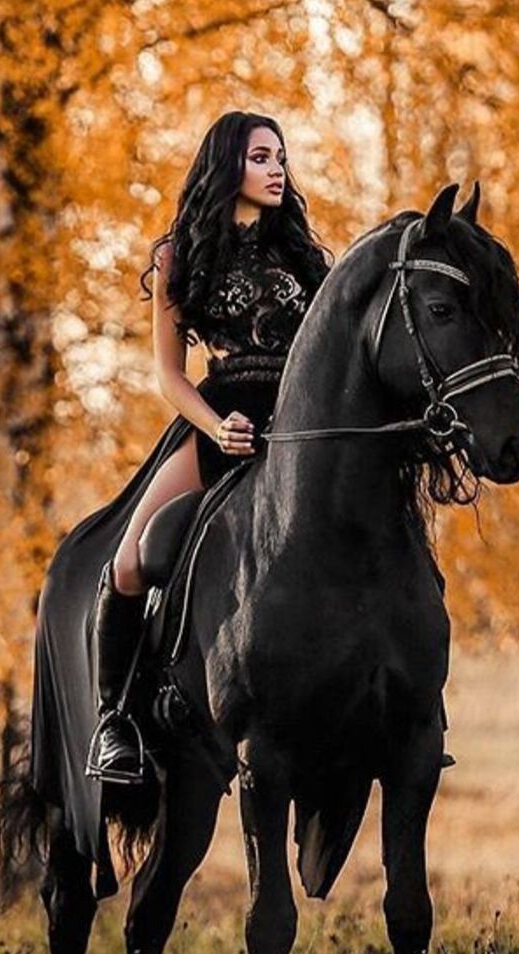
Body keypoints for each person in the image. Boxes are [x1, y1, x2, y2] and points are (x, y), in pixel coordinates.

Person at [87, 110, 334, 785]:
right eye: (260, 157)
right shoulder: (178, 255)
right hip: (220, 421)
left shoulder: (305, 256)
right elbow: (168, 374)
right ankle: (116, 724)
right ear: (228, 165)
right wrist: (213, 423)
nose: (277, 168)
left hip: (299, 425)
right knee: (131, 562)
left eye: (280, 156)